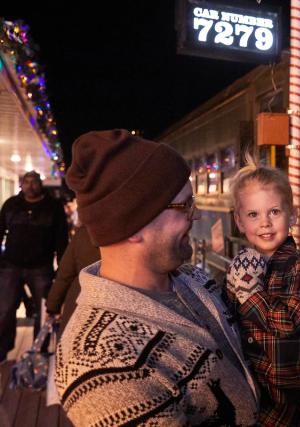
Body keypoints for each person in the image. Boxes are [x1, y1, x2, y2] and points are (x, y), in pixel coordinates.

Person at [55, 129, 258, 426]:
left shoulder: (193, 280)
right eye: (184, 205)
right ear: (133, 225)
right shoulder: (100, 363)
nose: (197, 215)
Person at [225, 160, 300, 426]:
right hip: (250, 388)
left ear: (291, 216)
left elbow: (289, 322)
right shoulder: (241, 265)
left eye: (274, 212)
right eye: (253, 215)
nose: (265, 223)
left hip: (286, 395)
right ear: (239, 220)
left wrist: (248, 292)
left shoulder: (299, 266)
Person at [0, 170, 68, 362]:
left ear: (41, 184)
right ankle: (3, 350)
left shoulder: (53, 207)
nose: (30, 185)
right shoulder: (11, 205)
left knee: (44, 311)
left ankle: (40, 352)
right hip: (10, 265)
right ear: (21, 184)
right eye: (26, 182)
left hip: (41, 266)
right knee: (4, 309)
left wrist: (61, 268)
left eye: (34, 182)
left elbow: (61, 240)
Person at [45, 225, 100, 333]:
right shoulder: (133, 233)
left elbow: (65, 274)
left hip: (78, 308)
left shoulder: (84, 233)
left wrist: (52, 306)